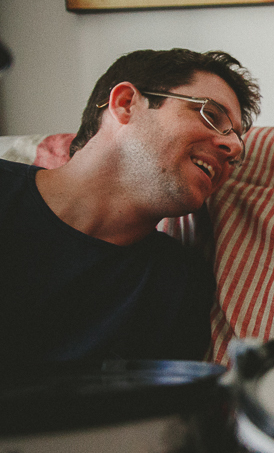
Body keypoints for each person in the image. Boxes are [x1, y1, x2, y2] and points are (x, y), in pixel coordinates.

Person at [0, 48, 260, 364]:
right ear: (126, 104)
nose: (233, 148)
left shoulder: (178, 285)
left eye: (237, 142)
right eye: (212, 115)